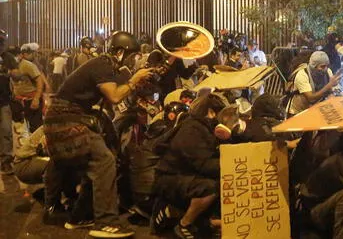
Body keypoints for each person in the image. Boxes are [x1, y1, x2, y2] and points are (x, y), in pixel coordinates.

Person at [43, 31, 152, 238]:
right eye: (132, 56)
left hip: (71, 118)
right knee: (104, 161)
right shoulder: (102, 63)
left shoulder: (111, 68)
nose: (134, 60)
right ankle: (106, 222)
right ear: (119, 52)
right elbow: (114, 95)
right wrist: (134, 80)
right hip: (65, 119)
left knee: (101, 161)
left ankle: (80, 216)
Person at [153, 92, 227, 239]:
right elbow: (204, 164)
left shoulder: (204, 128)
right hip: (169, 178)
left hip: (183, 175)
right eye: (222, 114)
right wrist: (230, 165)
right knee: (211, 187)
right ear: (211, 112)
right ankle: (184, 224)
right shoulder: (192, 129)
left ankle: (190, 217)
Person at [287, 51, 342, 116]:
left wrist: (335, 91)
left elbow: (331, 91)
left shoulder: (328, 72)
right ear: (313, 66)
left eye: (327, 66)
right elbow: (311, 98)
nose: (325, 69)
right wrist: (329, 85)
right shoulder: (302, 75)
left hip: (315, 111)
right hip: (298, 113)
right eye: (322, 66)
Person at [10, 43, 46, 133]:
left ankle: (38, 146)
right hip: (18, 101)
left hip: (31, 100)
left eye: (16, 54)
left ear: (20, 55)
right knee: (20, 128)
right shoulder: (9, 67)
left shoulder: (27, 65)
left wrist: (37, 99)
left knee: (35, 128)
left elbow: (39, 81)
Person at [0, 29, 15, 175]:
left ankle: (6, 162)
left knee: (6, 130)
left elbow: (17, 74)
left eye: (2, 41)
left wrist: (10, 72)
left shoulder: (8, 57)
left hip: (4, 101)